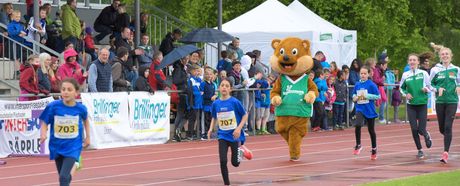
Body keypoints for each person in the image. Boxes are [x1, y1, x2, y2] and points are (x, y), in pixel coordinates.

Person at [39, 78, 90, 186]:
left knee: (63, 177)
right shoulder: (53, 106)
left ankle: (75, 163)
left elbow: (86, 120)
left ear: (76, 93)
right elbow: (44, 122)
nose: (66, 92)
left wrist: (88, 137)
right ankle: (76, 165)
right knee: (64, 177)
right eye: (63, 89)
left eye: (69, 89)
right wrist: (43, 133)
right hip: (57, 146)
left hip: (73, 146)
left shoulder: (81, 109)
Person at [207, 78, 253, 186]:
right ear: (219, 88)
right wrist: (210, 129)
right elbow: (214, 117)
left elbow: (245, 115)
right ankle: (226, 183)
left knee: (235, 163)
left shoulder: (234, 102)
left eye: (227, 86)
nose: (224, 87)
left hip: (234, 135)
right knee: (223, 161)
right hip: (222, 135)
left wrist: (238, 128)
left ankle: (241, 149)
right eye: (222, 85)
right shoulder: (216, 103)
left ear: (230, 89)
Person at [429, 46, 460, 164]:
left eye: (447, 54)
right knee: (442, 128)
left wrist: (458, 86)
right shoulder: (435, 70)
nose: (445, 56)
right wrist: (437, 89)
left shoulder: (456, 69)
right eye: (443, 54)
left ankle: (445, 153)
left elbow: (459, 82)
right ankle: (448, 136)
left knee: (448, 127)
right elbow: (429, 84)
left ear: (451, 56)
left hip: (452, 101)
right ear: (440, 56)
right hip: (440, 102)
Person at [400, 53, 433, 159]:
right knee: (414, 129)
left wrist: (426, 90)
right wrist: (406, 94)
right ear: (408, 62)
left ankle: (426, 134)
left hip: (422, 104)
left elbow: (430, 87)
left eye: (414, 60)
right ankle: (420, 150)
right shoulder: (405, 75)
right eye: (410, 60)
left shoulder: (423, 73)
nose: (412, 62)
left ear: (418, 62)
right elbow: (401, 88)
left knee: (421, 129)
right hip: (411, 105)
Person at [352, 65, 380, 160]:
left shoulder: (371, 85)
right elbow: (354, 94)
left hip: (369, 109)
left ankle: (374, 149)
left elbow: (378, 96)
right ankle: (358, 144)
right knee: (358, 124)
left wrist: (368, 96)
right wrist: (354, 97)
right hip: (360, 108)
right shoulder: (357, 84)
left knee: (371, 130)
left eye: (364, 73)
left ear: (368, 74)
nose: (363, 75)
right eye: (361, 73)